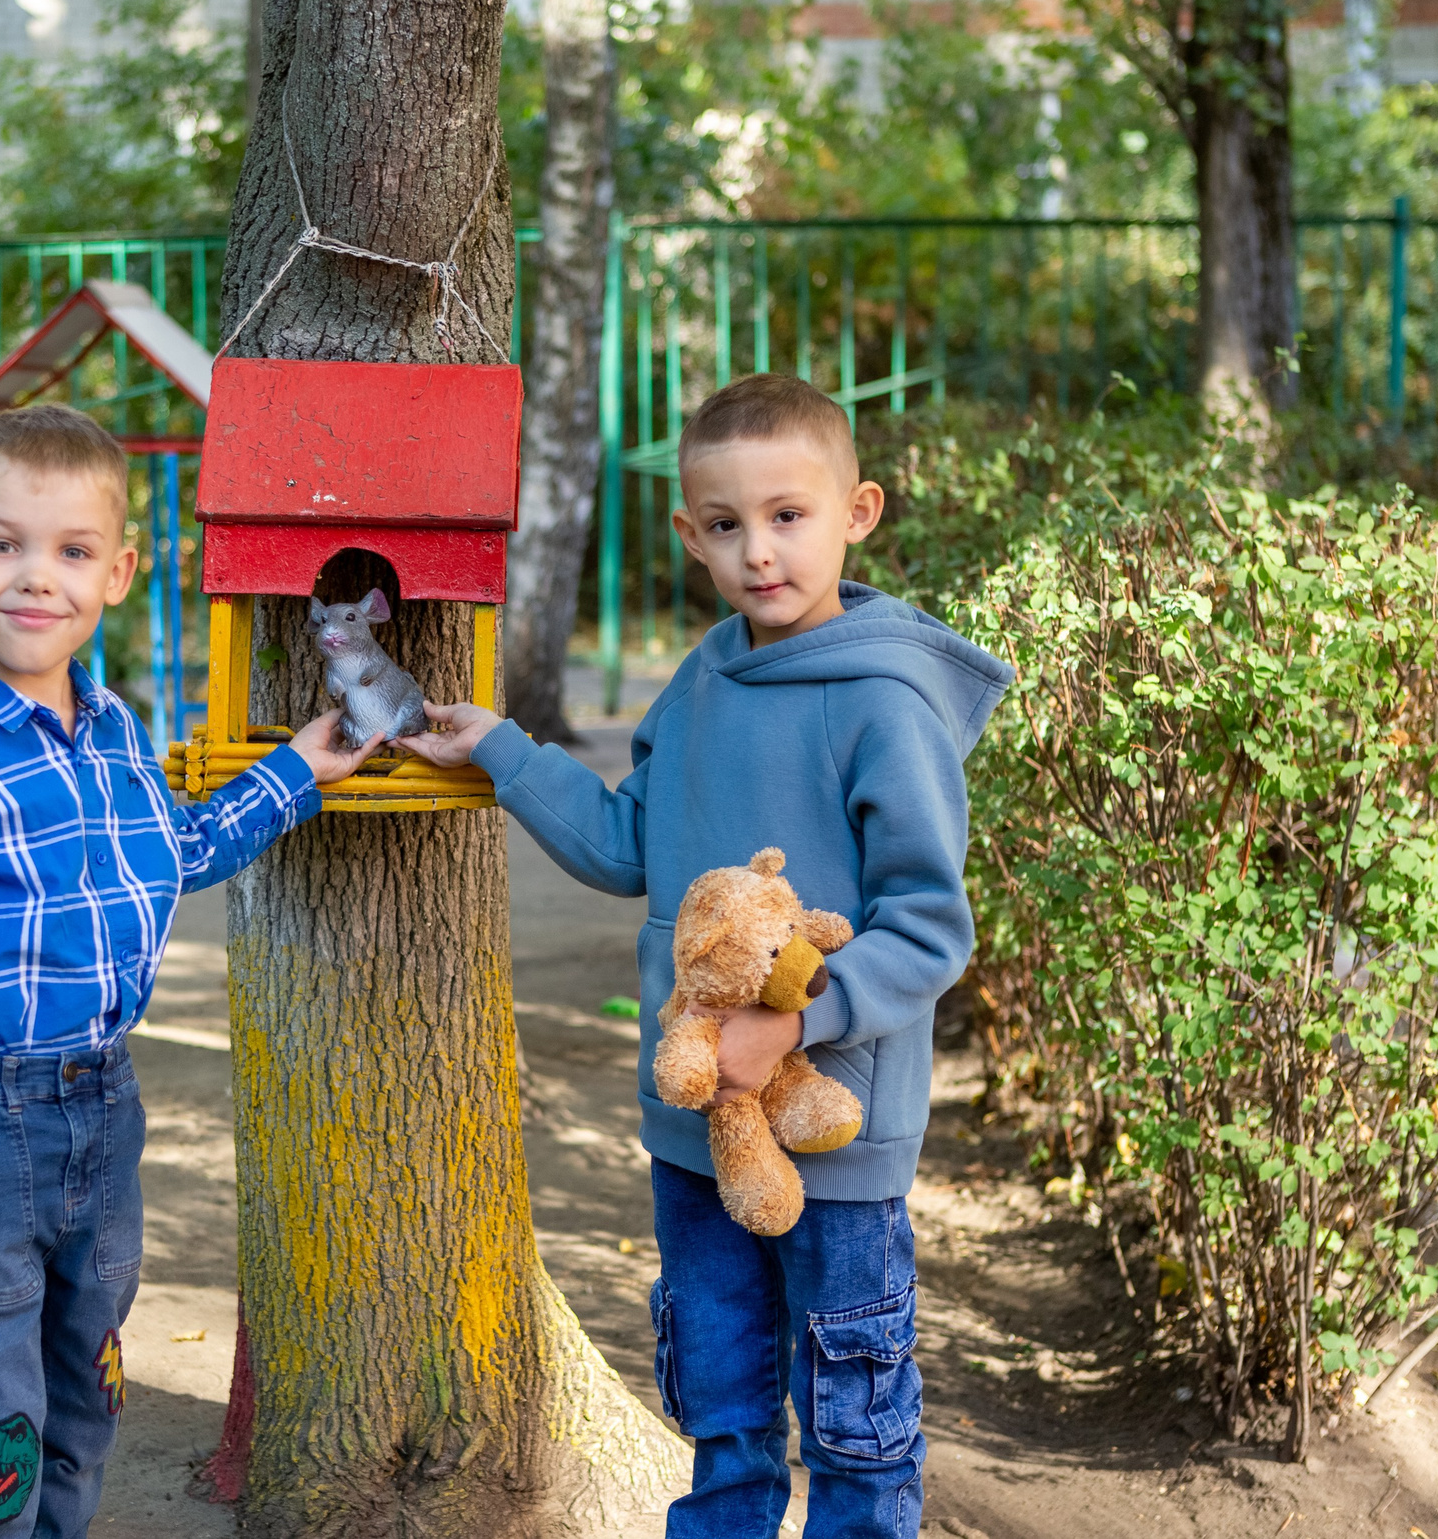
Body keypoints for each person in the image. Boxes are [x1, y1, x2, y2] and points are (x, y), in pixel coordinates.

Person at [400, 372, 1011, 1539]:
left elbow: (930, 926)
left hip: (835, 1133)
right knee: (722, 1416)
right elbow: (635, 846)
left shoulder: (886, 702)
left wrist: (797, 1022)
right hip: (692, 1135)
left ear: (859, 512)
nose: (759, 552)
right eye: (725, 526)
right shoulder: (699, 683)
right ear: (689, 534)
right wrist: (501, 755)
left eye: (789, 516)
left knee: (854, 1429)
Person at [0, 404, 369, 1539]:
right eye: (2, 545)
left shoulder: (118, 731)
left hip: (103, 1113)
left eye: (70, 553)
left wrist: (303, 765)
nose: (35, 580)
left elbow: (179, 851)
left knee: (83, 1389)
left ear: (116, 573)